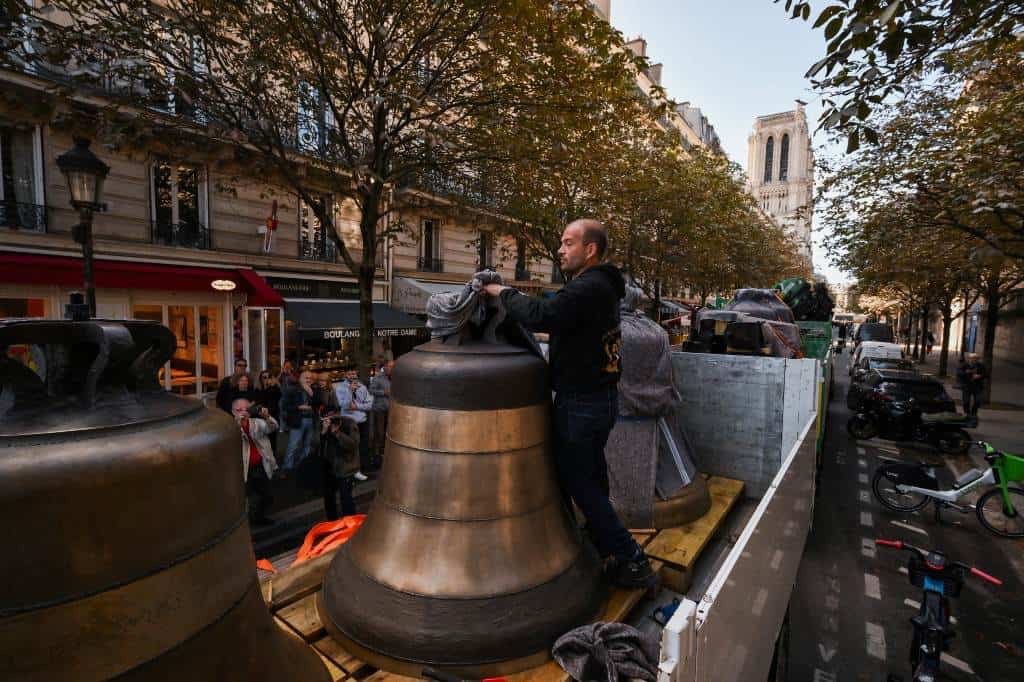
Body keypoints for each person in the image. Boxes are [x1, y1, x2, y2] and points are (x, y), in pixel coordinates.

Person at [483, 218, 655, 589]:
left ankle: (631, 558)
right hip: (599, 400)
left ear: (589, 249)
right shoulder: (602, 287)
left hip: (582, 403)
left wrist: (503, 292)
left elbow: (542, 316)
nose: (560, 250)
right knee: (592, 477)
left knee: (580, 482)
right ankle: (602, 544)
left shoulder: (589, 287)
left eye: (567, 243)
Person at [232, 397, 278, 526]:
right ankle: (251, 522)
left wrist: (267, 417)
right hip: (245, 467)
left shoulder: (257, 423)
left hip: (261, 464)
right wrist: (237, 426)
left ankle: (261, 517)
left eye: (245, 409)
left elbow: (273, 427)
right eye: (238, 410)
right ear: (233, 412)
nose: (242, 412)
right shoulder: (231, 428)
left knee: (266, 494)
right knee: (251, 496)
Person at [319, 413, 361, 520]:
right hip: (329, 467)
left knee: (346, 499)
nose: (331, 419)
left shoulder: (349, 424)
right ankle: (332, 523)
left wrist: (338, 433)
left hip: (346, 468)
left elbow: (353, 445)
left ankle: (350, 524)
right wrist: (323, 432)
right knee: (329, 499)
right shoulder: (323, 424)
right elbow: (316, 445)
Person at [336, 368, 374, 481]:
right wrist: (350, 391)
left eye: (354, 373)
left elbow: (370, 404)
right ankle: (353, 471)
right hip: (350, 422)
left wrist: (358, 407)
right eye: (349, 373)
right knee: (352, 448)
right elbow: (344, 405)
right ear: (345, 374)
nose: (352, 375)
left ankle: (361, 468)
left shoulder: (362, 387)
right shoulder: (340, 388)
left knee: (363, 446)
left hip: (362, 421)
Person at [280, 370, 317, 473]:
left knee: (307, 445)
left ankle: (301, 466)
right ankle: (287, 468)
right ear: (301, 379)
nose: (308, 380)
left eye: (310, 378)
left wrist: (313, 394)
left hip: (311, 420)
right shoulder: (292, 390)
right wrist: (298, 407)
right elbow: (284, 406)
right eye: (306, 378)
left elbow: (318, 405)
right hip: (298, 420)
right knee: (293, 445)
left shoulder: (314, 390)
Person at [369, 360, 394, 461]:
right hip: (380, 409)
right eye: (390, 367)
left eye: (393, 367)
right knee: (379, 432)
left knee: (389, 431)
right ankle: (376, 454)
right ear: (385, 367)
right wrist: (383, 392)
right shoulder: (378, 377)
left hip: (392, 410)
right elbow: (371, 390)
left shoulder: (396, 378)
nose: (392, 369)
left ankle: (386, 452)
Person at [255, 371, 283, 458]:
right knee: (262, 440)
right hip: (260, 418)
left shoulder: (274, 389)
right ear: (260, 379)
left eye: (268, 377)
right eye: (264, 377)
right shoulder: (257, 390)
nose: (267, 379)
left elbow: (279, 396)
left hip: (272, 417)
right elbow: (257, 403)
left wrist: (274, 385)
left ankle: (272, 459)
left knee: (272, 439)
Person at [957, 353, 987, 417]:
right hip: (967, 386)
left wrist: (979, 376)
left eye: (975, 359)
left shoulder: (981, 366)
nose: (973, 360)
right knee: (966, 402)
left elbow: (986, 374)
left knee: (978, 401)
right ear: (969, 359)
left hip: (977, 386)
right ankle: (967, 413)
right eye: (972, 358)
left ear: (977, 359)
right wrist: (965, 372)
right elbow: (959, 373)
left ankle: (974, 413)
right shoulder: (964, 365)